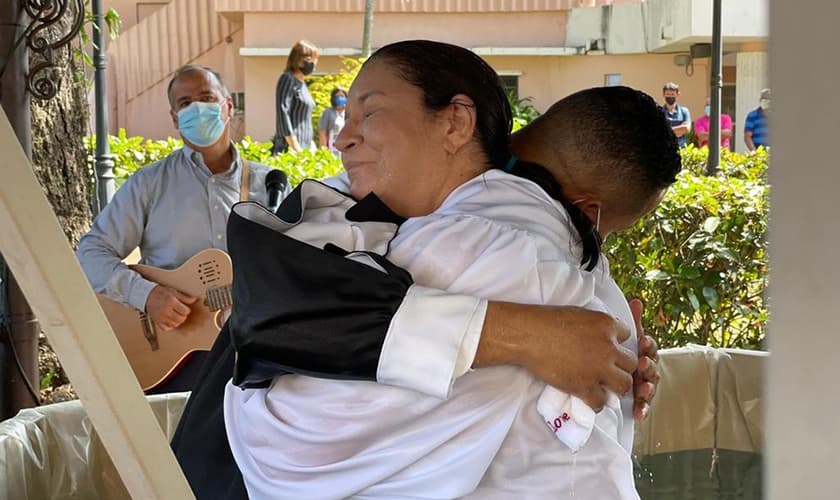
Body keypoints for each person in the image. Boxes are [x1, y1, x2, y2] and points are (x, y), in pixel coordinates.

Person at [221, 41, 679, 499]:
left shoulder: (490, 248)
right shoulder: (461, 228)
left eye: (370, 112)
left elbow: (294, 450)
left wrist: (241, 400)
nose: (342, 139)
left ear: (457, 122)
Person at [76, 65, 277, 393]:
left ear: (228, 106)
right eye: (185, 103)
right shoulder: (148, 184)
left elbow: (288, 265)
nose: (197, 109)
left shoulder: (269, 186)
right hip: (176, 358)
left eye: (206, 98)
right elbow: (91, 253)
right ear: (174, 118)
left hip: (253, 348)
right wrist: (146, 295)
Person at [272, 40, 319, 154]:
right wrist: (294, 146)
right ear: (296, 59)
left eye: (314, 59)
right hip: (290, 148)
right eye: (308, 59)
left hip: (305, 145)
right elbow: (283, 111)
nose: (312, 63)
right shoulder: (287, 79)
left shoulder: (303, 85)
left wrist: (311, 143)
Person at [661, 81, 691, 147]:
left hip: (681, 148)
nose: (670, 96)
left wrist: (667, 131)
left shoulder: (684, 111)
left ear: (677, 95)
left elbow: (686, 128)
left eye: (672, 94)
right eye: (668, 94)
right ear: (663, 95)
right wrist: (679, 129)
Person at [318, 87, 347, 156]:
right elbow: (322, 132)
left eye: (342, 96)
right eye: (337, 96)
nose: (340, 98)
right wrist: (324, 151)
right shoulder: (328, 112)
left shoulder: (348, 112)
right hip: (332, 148)